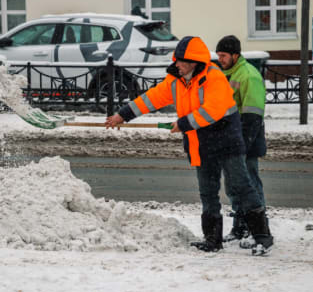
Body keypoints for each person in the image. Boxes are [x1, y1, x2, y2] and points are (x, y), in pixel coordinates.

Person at [105, 36, 273, 255]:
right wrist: (123, 115)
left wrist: (183, 123)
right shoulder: (175, 80)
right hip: (201, 144)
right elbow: (151, 98)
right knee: (207, 192)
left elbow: (213, 110)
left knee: (242, 187)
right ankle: (212, 240)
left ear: (194, 61)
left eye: (181, 61)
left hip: (227, 141)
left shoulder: (214, 77)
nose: (177, 64)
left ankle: (262, 237)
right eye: (176, 60)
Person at [215, 35, 268, 244]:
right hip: (229, 140)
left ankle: (257, 228)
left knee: (250, 185)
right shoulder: (224, 74)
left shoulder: (248, 75)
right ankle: (240, 226)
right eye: (218, 55)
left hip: (246, 140)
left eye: (224, 55)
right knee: (233, 186)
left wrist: (242, 145)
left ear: (235, 55)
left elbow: (253, 115)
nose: (220, 59)